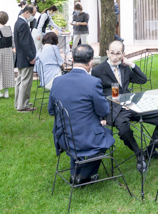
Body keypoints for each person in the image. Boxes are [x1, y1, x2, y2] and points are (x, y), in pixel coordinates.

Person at [92, 40, 158, 173]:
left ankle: (151, 150)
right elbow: (95, 95)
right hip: (113, 109)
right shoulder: (98, 70)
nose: (115, 57)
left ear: (123, 54)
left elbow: (142, 80)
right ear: (107, 53)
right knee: (124, 130)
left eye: (118, 53)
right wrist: (101, 116)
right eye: (112, 53)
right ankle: (139, 154)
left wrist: (131, 64)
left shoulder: (125, 67)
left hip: (131, 105)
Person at [48, 44, 114, 184]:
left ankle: (75, 172)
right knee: (107, 134)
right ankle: (82, 176)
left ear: (72, 59)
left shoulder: (57, 81)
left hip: (63, 138)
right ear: (91, 62)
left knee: (78, 132)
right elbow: (104, 111)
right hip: (85, 139)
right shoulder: (93, 82)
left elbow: (51, 110)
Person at [14, 7, 37, 112]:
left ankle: (19, 102)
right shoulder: (23, 24)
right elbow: (24, 43)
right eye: (33, 14)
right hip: (25, 58)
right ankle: (23, 105)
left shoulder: (18, 22)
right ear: (27, 12)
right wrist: (31, 57)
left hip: (21, 57)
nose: (33, 17)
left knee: (20, 81)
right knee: (25, 82)